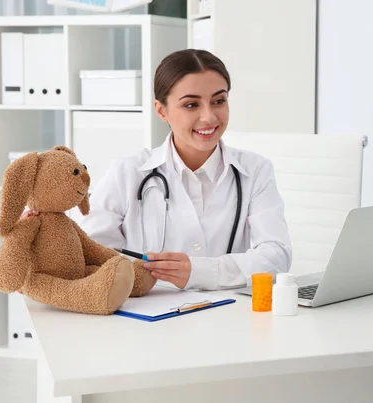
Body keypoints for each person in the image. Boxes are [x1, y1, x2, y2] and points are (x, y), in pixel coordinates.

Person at [78, 49, 292, 291]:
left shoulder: (255, 171)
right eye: (191, 105)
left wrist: (201, 272)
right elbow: (90, 251)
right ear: (162, 111)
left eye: (219, 101)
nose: (208, 117)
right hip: (146, 320)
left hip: (228, 317)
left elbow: (276, 256)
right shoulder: (127, 172)